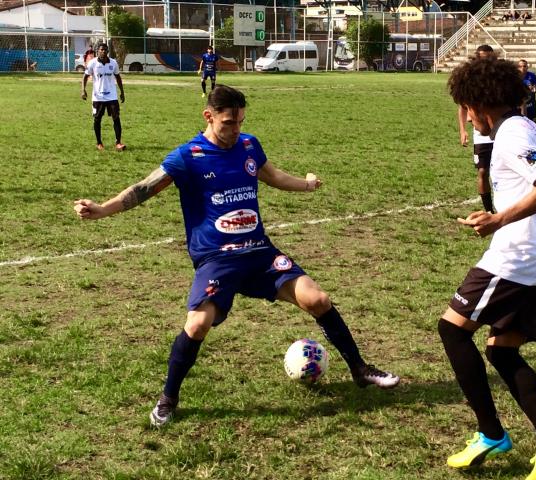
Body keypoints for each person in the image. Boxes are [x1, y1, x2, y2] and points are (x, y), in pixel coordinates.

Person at [73, 85, 400, 427]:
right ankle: (168, 398)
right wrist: (102, 209)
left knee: (318, 299)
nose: (235, 130)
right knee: (197, 324)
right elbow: (143, 188)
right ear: (209, 116)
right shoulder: (188, 156)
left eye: (240, 122)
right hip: (217, 258)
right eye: (229, 122)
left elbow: (272, 175)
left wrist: (306, 184)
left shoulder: (248, 145)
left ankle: (360, 370)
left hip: (260, 252)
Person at [444, 57, 536, 479]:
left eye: (465, 107)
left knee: (452, 329)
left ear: (479, 103)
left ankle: (490, 433)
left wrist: (500, 218)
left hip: (517, 254)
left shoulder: (512, 133)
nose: (465, 116)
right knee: (501, 349)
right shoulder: (527, 127)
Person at [456, 44, 496, 213]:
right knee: (482, 171)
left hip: (501, 132)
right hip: (481, 135)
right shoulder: (471, 81)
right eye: (482, 58)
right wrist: (463, 130)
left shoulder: (499, 80)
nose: (486, 62)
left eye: (489, 58)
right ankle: (489, 211)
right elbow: (463, 107)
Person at [81, 43, 126, 151]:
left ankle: (118, 143)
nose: (103, 51)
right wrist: (83, 90)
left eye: (105, 50)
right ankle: (99, 143)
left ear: (108, 51)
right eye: (101, 50)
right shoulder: (92, 63)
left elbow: (118, 77)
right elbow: (85, 76)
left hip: (112, 96)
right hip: (98, 97)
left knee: (116, 118)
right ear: (97, 51)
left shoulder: (113, 63)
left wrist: (122, 92)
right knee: (97, 119)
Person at [518, 59, 536, 123]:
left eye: (524, 66)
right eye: (520, 66)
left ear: (527, 67)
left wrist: (534, 89)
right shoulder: (514, 76)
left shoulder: (532, 76)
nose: (522, 68)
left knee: (533, 126)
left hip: (531, 107)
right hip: (518, 108)